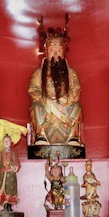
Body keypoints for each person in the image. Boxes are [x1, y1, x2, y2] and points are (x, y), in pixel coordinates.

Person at [27, 14, 83, 146]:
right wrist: (46, 99)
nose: (56, 54)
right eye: (52, 50)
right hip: (46, 106)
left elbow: (76, 89)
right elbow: (32, 90)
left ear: (64, 52)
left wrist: (66, 99)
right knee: (36, 107)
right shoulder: (39, 72)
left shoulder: (71, 72)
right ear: (46, 52)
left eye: (59, 50)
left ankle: (73, 137)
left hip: (65, 105)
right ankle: (41, 135)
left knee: (77, 107)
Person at [0, 134, 21, 211]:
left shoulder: (13, 153)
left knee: (10, 191)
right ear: (2, 143)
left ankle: (9, 207)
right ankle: (5, 207)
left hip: (11, 176)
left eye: (8, 141)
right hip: (2, 175)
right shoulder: (0, 154)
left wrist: (15, 167)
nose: (6, 142)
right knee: (2, 191)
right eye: (5, 141)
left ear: (11, 142)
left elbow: (17, 163)